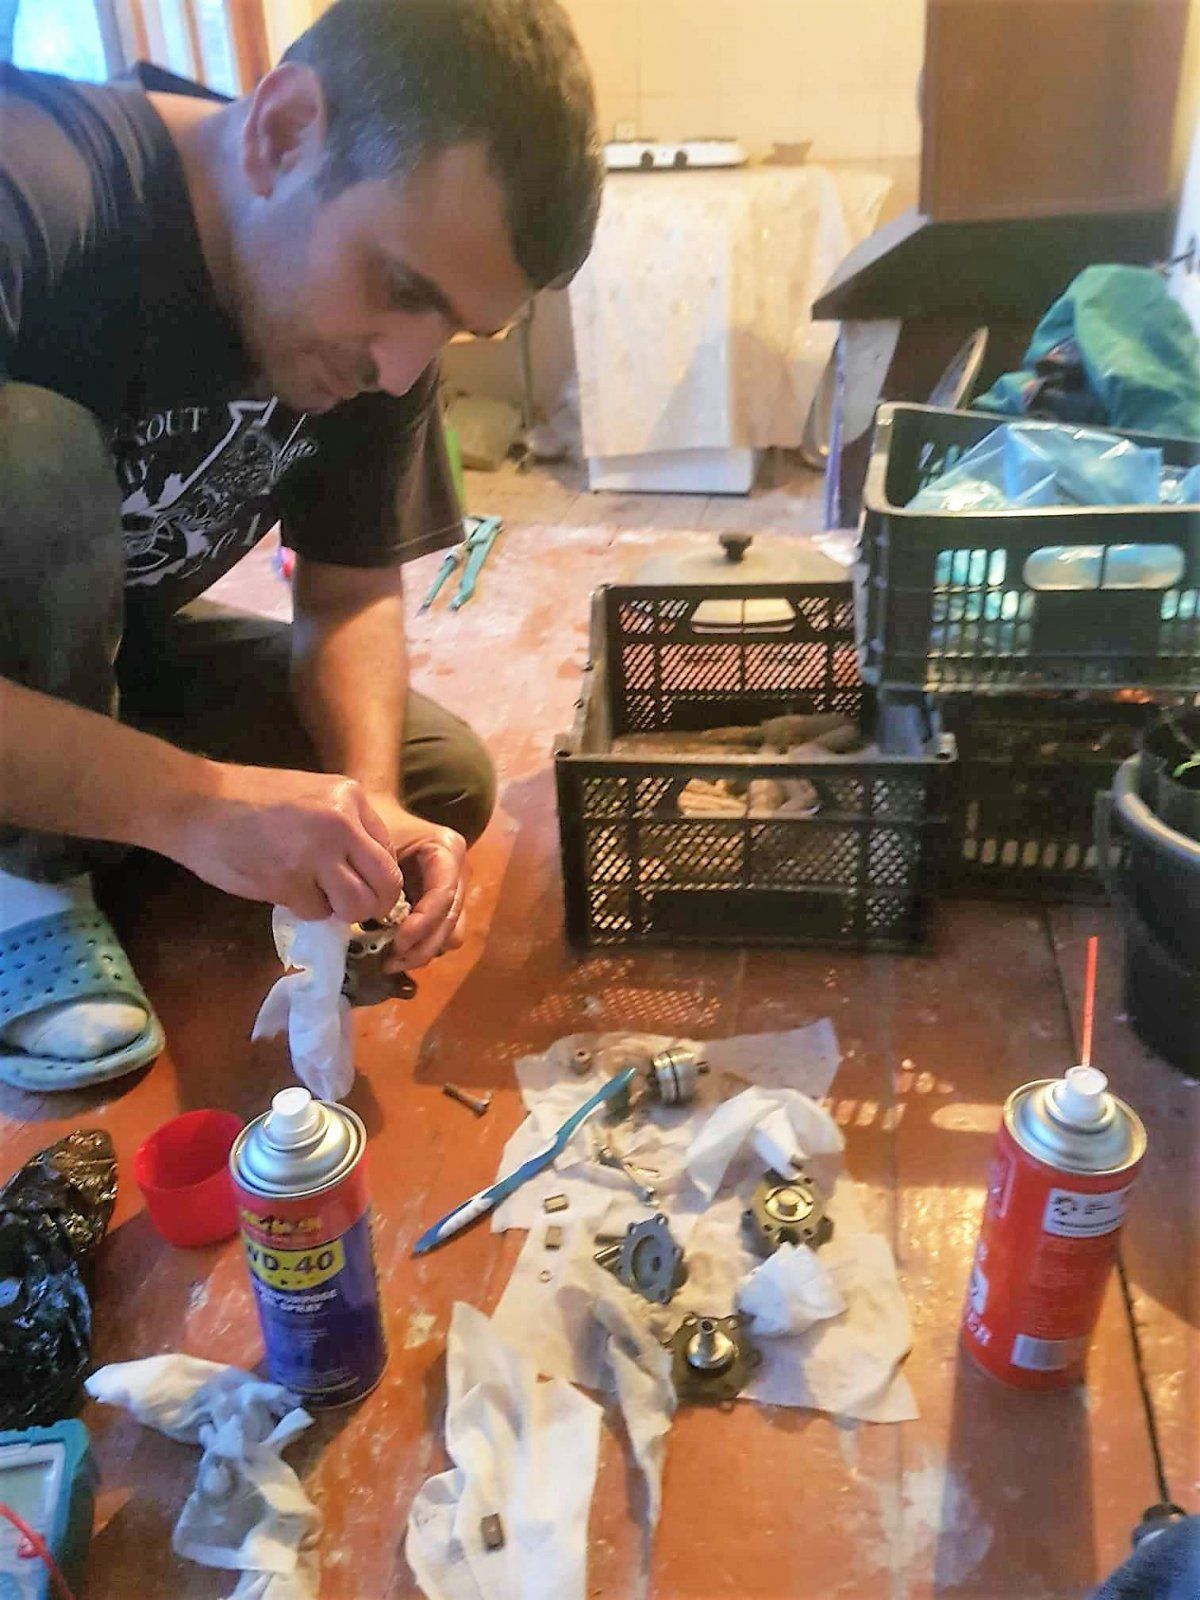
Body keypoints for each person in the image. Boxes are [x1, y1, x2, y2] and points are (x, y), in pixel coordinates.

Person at [0, 0, 603, 1090]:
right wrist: (190, 804)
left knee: (433, 782)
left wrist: (368, 809)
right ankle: (34, 879)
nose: (400, 371)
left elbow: (349, 588)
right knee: (26, 449)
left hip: (103, 652)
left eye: (452, 330)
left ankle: (86, 823)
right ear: (283, 134)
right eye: (402, 291)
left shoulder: (375, 338)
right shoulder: (33, 190)